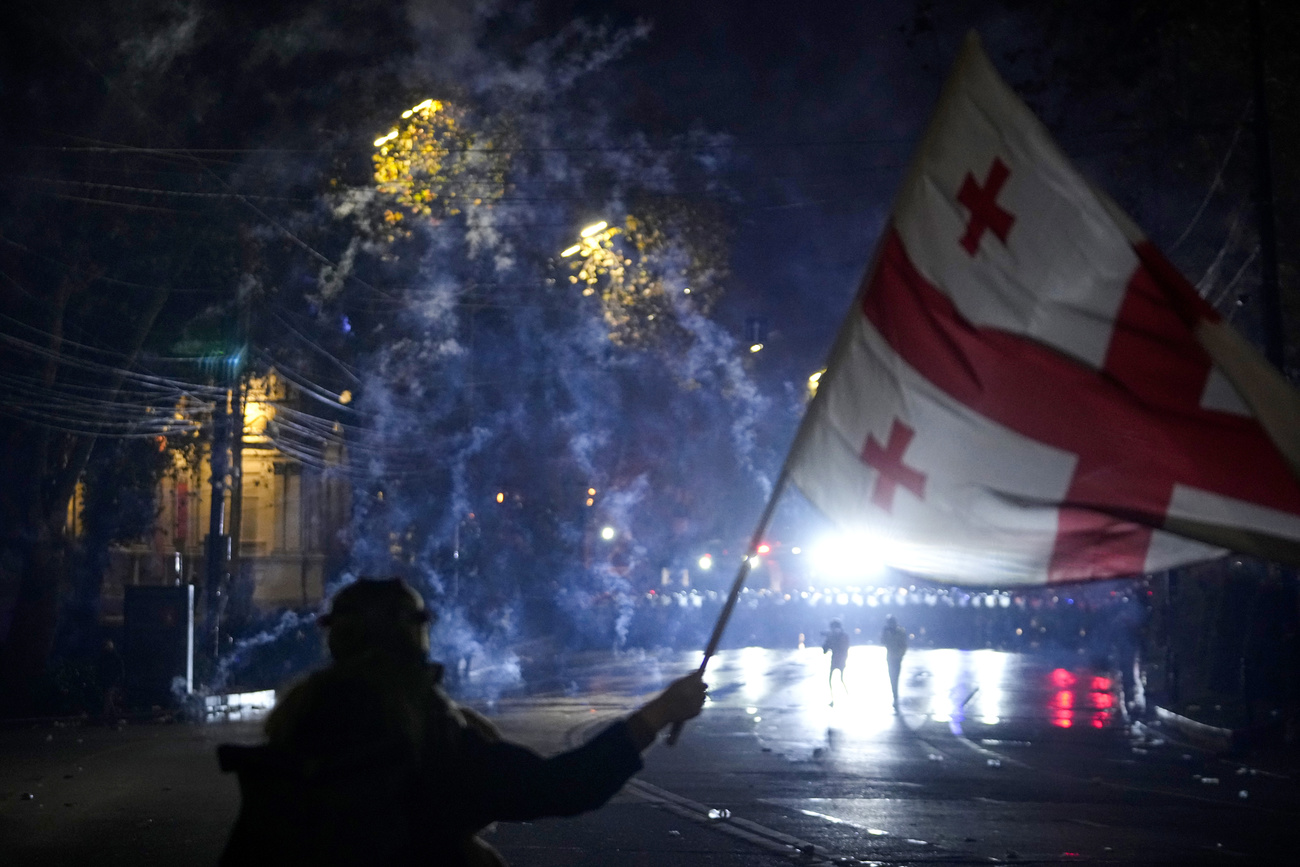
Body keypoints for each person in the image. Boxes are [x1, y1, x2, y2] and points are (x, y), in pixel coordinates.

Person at [217, 577, 707, 867]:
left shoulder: (299, 725)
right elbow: (559, 786)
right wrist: (658, 713)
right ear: (414, 635)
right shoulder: (420, 731)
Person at [880, 614, 908, 712]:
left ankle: (895, 696)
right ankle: (895, 695)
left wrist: (901, 654)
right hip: (891, 657)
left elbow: (904, 644)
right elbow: (882, 641)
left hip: (897, 658)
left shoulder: (900, 631)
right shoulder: (888, 632)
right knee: (892, 677)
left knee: (895, 677)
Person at [822, 618, 850, 705]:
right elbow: (825, 650)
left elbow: (843, 647)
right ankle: (833, 698)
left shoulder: (843, 636)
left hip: (840, 659)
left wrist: (832, 640)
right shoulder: (836, 636)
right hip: (835, 660)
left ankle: (847, 696)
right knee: (831, 680)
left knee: (841, 679)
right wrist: (828, 640)